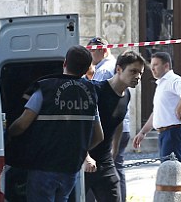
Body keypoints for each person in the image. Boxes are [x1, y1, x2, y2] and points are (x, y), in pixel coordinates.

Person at [8, 45, 104, 202]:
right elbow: (99, 136)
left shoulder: (46, 89)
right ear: (87, 68)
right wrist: (77, 151)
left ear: (65, 63)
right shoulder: (90, 93)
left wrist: (7, 134)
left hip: (43, 167)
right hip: (70, 169)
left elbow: (22, 125)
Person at [83, 50, 145, 202]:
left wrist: (115, 149)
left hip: (105, 161)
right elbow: (78, 126)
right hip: (83, 161)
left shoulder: (127, 95)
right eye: (133, 71)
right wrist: (85, 157)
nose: (137, 76)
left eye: (140, 73)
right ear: (118, 69)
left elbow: (119, 121)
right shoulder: (96, 90)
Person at [133, 52, 181, 163]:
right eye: (151, 65)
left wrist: (179, 109)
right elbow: (156, 112)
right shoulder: (161, 83)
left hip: (173, 132)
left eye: (156, 65)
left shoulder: (173, 79)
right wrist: (143, 132)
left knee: (171, 171)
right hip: (164, 133)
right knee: (166, 171)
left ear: (166, 66)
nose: (152, 68)